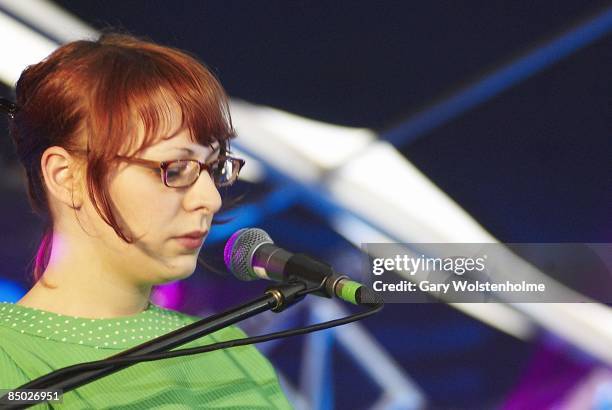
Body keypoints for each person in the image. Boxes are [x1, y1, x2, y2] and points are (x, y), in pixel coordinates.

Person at [0, 33, 292, 409]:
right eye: (176, 168)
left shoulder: (234, 355)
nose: (211, 198)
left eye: (215, 167)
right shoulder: (10, 353)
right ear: (65, 175)